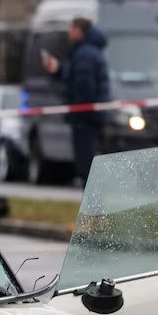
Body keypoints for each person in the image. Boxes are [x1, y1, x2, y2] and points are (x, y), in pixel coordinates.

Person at [42, 17, 109, 187]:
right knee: (88, 159)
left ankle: (92, 199)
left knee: (86, 161)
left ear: (79, 31)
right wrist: (59, 70)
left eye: (71, 29)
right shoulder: (86, 52)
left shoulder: (85, 54)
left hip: (85, 117)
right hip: (90, 116)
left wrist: (78, 112)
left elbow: (84, 86)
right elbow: (76, 77)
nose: (68, 33)